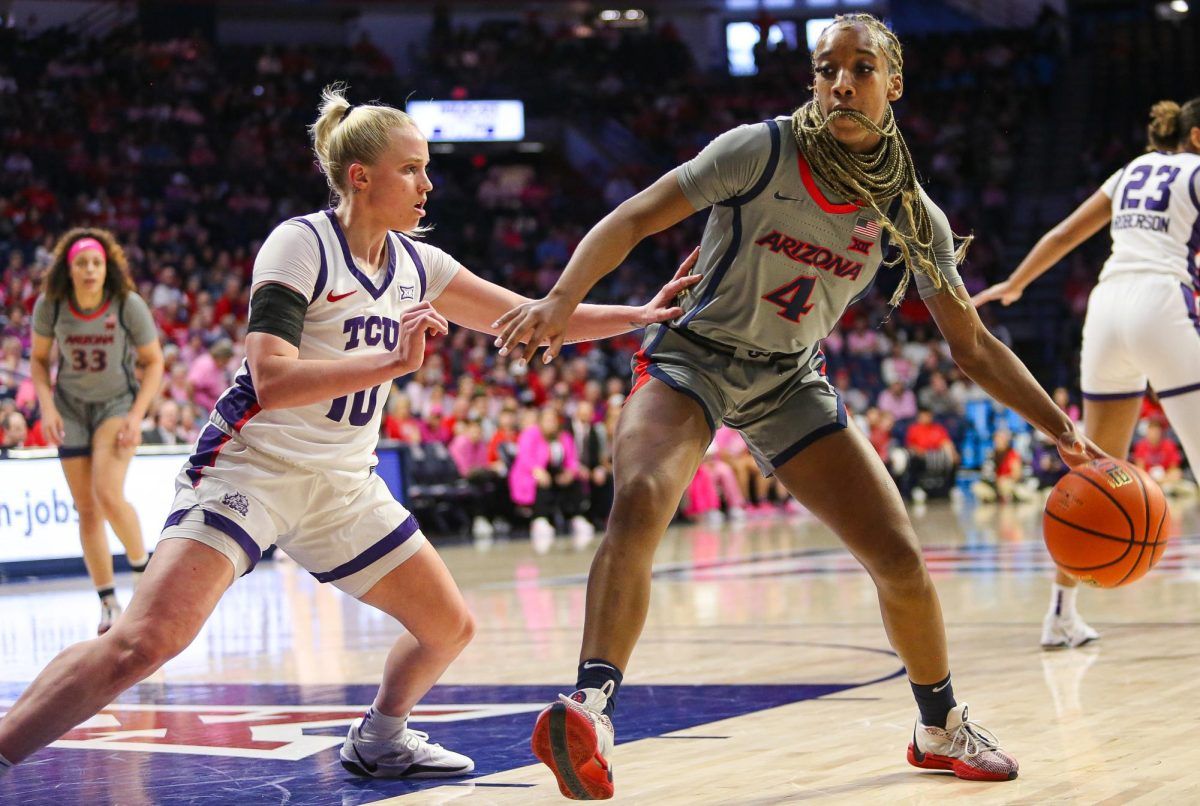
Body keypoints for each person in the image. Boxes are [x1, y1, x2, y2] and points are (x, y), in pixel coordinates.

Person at [0, 85, 699, 783]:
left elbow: (529, 316)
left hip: (343, 485)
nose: (428, 183)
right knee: (144, 644)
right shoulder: (299, 244)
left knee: (448, 627)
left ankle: (380, 738)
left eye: (426, 168)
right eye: (411, 169)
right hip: (252, 468)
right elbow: (270, 377)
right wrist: (392, 361)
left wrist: (640, 314)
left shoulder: (418, 264)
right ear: (360, 177)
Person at [494, 14, 1105, 797]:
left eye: (859, 68)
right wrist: (560, 298)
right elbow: (639, 215)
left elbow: (973, 346)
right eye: (826, 69)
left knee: (899, 556)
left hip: (787, 379)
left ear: (894, 83)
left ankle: (939, 725)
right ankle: (592, 708)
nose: (841, 82)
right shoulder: (760, 148)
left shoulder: (912, 214)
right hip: (694, 358)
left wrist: (1059, 427)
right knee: (641, 496)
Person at [974, 97, 1200, 649]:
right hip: (1162, 303)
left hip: (1106, 309)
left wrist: (1016, 283)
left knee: (1097, 472)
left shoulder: (1128, 172)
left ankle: (1060, 614)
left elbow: (1060, 236)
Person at [29, 228, 164, 634]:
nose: (89, 269)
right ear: (68, 271)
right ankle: (107, 602)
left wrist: (136, 415)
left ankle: (142, 572)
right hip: (69, 408)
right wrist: (47, 407)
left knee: (107, 493)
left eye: (96, 263)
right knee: (86, 508)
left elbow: (154, 362)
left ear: (107, 268)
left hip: (116, 405)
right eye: (81, 264)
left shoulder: (127, 304)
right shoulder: (51, 305)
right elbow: (38, 361)